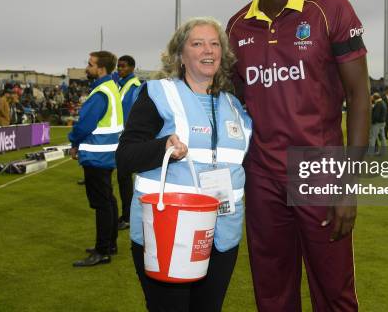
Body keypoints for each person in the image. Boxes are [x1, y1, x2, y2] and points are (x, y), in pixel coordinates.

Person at [226, 0, 370, 311]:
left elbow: (359, 97)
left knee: (334, 290)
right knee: (272, 292)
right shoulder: (237, 26)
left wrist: (347, 186)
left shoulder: (330, 8)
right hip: (261, 175)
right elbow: (236, 106)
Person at [116, 17, 252, 312]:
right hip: (167, 234)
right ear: (180, 55)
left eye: (215, 43)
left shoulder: (235, 104)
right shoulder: (158, 93)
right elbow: (125, 158)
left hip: (221, 236)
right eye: (198, 43)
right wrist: (163, 147)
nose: (209, 50)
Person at [68, 51, 122, 267]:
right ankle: (109, 245)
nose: (87, 67)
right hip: (107, 153)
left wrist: (73, 141)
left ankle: (102, 251)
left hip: (97, 154)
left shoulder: (100, 92)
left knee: (102, 203)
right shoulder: (112, 88)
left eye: (90, 64)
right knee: (108, 200)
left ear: (100, 68)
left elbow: (85, 125)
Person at [114, 54, 141, 230]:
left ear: (132, 67)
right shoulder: (121, 84)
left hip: (128, 139)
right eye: (118, 66)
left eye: (123, 66)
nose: (120, 69)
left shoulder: (135, 86)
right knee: (123, 179)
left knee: (126, 179)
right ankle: (127, 215)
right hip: (121, 138)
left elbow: (134, 115)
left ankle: (128, 217)